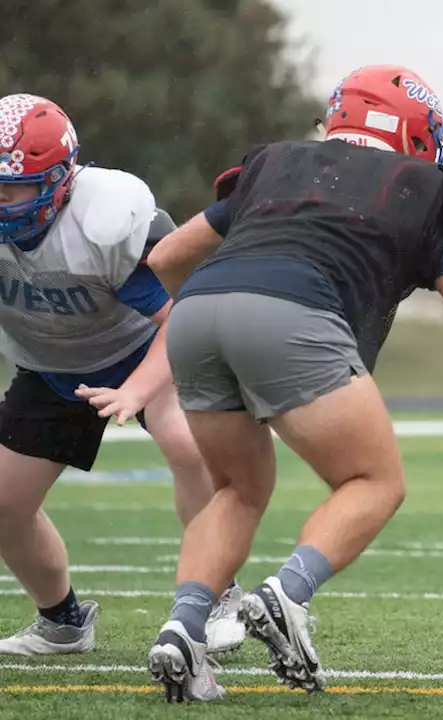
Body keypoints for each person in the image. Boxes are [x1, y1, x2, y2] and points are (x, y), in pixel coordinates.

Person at [142, 65, 443, 702]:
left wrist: (214, 314)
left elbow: (166, 258)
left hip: (196, 311)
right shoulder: (421, 188)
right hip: (295, 312)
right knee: (374, 481)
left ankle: (182, 628)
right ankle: (288, 593)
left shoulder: (278, 164)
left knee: (236, 491)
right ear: (416, 136)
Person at [0, 93, 244, 659]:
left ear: (60, 180)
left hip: (144, 349)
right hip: (52, 366)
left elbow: (181, 317)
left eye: (10, 187)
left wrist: (138, 390)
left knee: (187, 443)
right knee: (5, 503)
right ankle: (62, 622)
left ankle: (219, 591)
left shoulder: (104, 221)